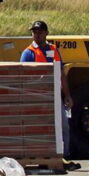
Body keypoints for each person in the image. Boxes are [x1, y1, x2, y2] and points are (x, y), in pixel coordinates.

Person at [20, 20, 75, 158]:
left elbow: (61, 74)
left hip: (55, 95)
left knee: (64, 126)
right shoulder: (28, 53)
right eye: (34, 32)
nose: (37, 35)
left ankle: (65, 156)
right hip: (38, 97)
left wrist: (67, 95)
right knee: (42, 128)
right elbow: (23, 77)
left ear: (46, 33)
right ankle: (41, 154)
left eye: (40, 32)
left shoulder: (54, 50)